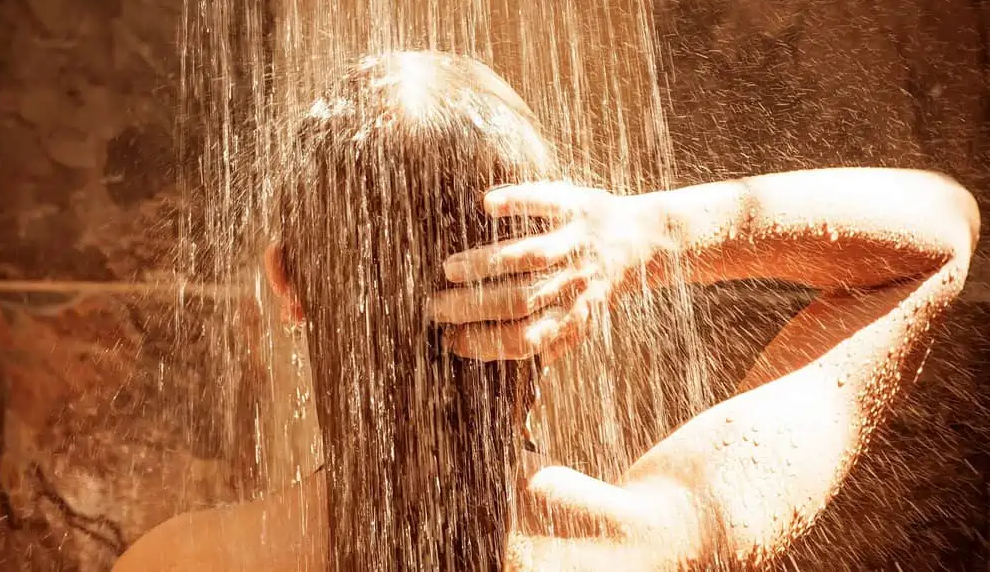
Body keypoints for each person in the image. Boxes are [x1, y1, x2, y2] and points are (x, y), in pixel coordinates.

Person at [113, 51, 980, 571]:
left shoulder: (174, 563)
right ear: (562, 280)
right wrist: (653, 233)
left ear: (286, 283)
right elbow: (941, 230)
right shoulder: (646, 541)